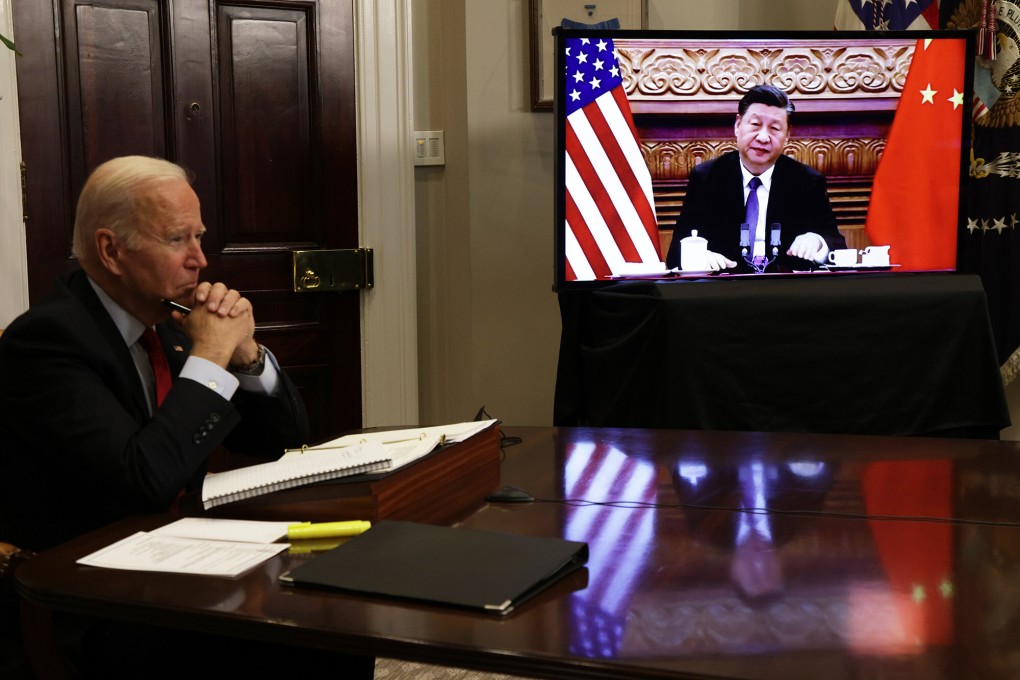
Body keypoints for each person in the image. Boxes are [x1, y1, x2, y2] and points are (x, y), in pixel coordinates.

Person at [0, 156, 310, 553]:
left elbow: (285, 444)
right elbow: (144, 482)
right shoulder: (46, 342)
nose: (199, 260)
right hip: (87, 578)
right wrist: (213, 351)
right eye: (177, 239)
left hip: (184, 549)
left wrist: (245, 355)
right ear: (111, 251)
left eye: (199, 237)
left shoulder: (166, 322)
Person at [664, 85, 847, 272]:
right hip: (723, 290)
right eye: (755, 125)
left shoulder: (807, 181)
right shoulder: (707, 177)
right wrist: (696, 256)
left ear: (787, 136)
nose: (763, 137)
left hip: (788, 292)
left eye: (775, 128)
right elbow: (676, 253)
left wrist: (817, 241)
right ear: (737, 125)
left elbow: (837, 244)